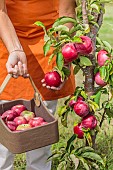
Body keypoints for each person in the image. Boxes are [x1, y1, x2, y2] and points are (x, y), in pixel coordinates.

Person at [0, 0, 76, 169]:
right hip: (5, 39)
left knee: (40, 131)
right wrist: (15, 49)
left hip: (47, 43)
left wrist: (63, 62)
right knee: (2, 136)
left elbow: (67, 13)